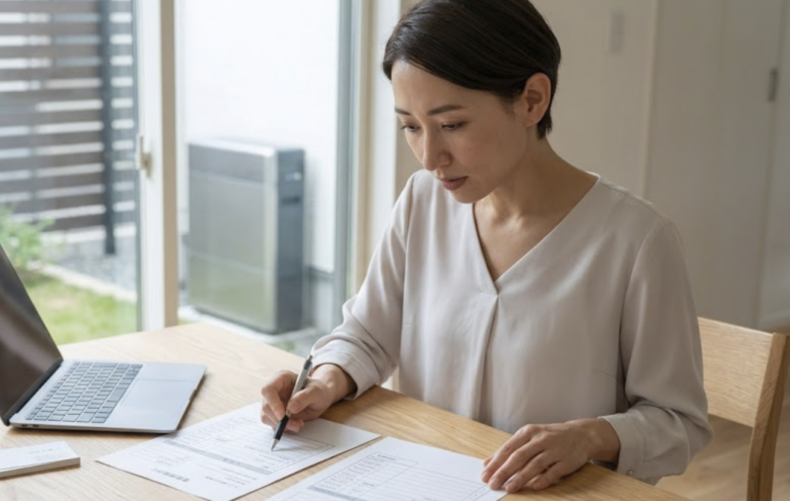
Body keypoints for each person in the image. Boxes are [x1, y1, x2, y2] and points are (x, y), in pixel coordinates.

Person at [259, 0, 712, 493]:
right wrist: (326, 380)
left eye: (451, 125)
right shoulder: (422, 202)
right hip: (415, 482)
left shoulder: (636, 241)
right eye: (410, 126)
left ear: (533, 100)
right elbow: (368, 336)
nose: (430, 156)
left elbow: (677, 423)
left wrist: (589, 436)